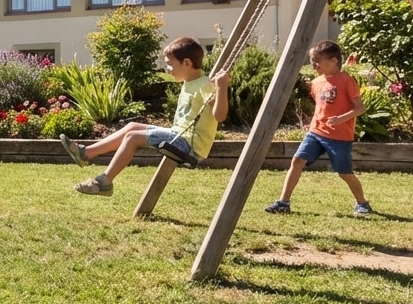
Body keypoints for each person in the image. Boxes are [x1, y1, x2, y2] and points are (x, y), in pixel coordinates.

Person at [61, 37, 228, 197]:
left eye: (170, 64)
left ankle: (104, 182)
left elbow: (220, 117)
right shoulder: (190, 82)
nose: (167, 69)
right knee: (132, 126)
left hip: (190, 146)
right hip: (178, 135)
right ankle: (86, 153)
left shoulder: (206, 85)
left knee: (133, 137)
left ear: (187, 63)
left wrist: (222, 89)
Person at [264, 40, 373, 216]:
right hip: (316, 132)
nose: (314, 65)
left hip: (339, 137)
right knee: (297, 161)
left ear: (334, 60)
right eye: (312, 62)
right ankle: (283, 202)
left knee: (344, 172)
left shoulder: (346, 81)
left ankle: (363, 203)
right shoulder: (316, 82)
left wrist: (341, 119)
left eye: (318, 62)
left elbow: (360, 108)